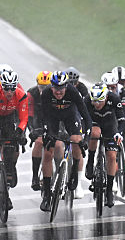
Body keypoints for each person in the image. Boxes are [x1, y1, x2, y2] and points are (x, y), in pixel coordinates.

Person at [38, 71, 93, 212]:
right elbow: (43, 116)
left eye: (61, 88)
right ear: (51, 87)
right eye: (56, 88)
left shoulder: (73, 92)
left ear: (66, 86)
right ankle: (47, 195)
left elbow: (86, 117)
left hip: (70, 117)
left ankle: (74, 172)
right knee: (48, 152)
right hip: (52, 118)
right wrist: (47, 132)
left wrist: (86, 139)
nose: (58, 92)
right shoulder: (46, 93)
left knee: (76, 140)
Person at [0, 68, 30, 204]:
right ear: (1, 86)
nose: (9, 92)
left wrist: (19, 132)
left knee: (12, 147)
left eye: (12, 88)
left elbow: (23, 118)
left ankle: (10, 169)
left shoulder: (21, 95)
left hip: (9, 119)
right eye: (6, 88)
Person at [85, 83, 125, 207]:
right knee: (95, 133)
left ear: (106, 97)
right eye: (94, 101)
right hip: (94, 123)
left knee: (112, 156)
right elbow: (81, 118)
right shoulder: (87, 100)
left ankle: (109, 190)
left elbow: (121, 120)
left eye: (100, 101)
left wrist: (119, 133)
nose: (97, 104)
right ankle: (90, 161)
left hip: (110, 125)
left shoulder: (114, 99)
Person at [28, 71, 52, 190]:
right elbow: (29, 115)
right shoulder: (32, 93)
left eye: (46, 87)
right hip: (38, 120)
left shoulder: (57, 93)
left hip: (53, 120)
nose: (43, 90)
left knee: (58, 145)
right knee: (38, 142)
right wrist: (32, 130)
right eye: (41, 87)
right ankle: (35, 176)